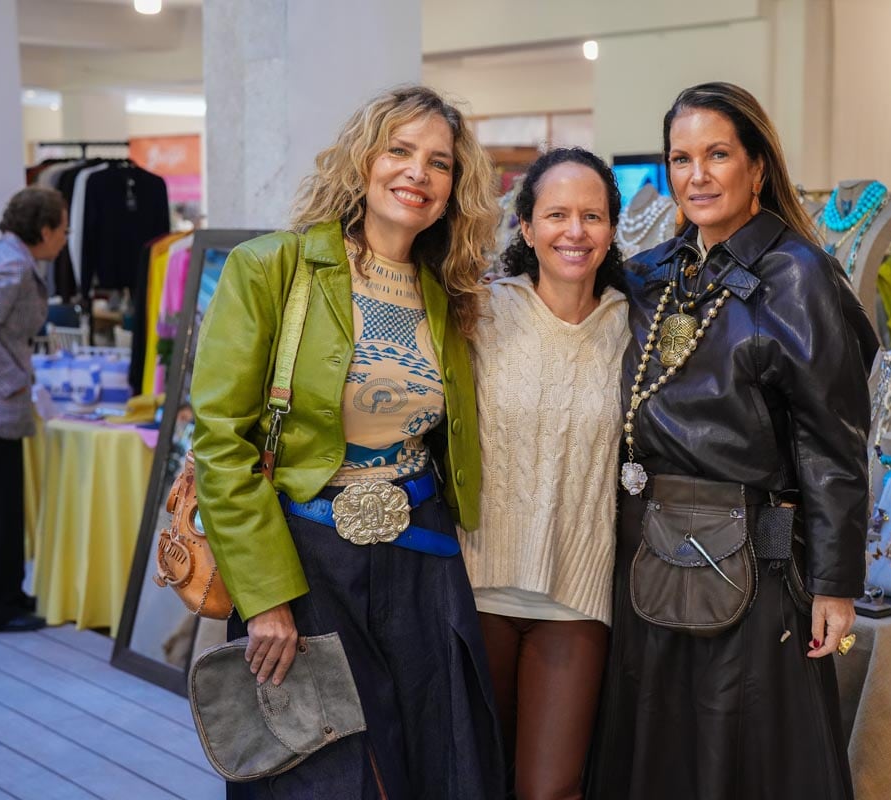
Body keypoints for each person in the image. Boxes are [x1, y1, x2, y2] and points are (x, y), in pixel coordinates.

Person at [190, 86, 503, 799]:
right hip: (306, 562)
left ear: (456, 187)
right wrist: (266, 597)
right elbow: (220, 439)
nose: (417, 174)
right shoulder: (274, 267)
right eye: (399, 150)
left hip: (423, 558)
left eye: (439, 163)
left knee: (433, 763)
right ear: (362, 159)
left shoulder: (448, 291)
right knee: (322, 775)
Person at [585, 82, 878, 799]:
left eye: (718, 154)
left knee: (744, 751)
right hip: (646, 550)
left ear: (757, 166)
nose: (698, 175)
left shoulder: (799, 277)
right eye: (681, 158)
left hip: (754, 566)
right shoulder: (655, 275)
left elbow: (832, 443)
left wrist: (836, 585)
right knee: (658, 746)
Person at [462, 148, 628, 800]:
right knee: (471, 777)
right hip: (476, 589)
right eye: (556, 214)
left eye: (591, 215)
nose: (574, 231)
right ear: (526, 228)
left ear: (612, 228)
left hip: (577, 598)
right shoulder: (479, 312)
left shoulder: (632, 326)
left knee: (550, 788)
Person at [0, 186, 68, 633]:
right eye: (64, 229)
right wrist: (14, 379)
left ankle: (4, 593)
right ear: (45, 229)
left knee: (1, 506)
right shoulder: (13, 266)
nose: (66, 238)